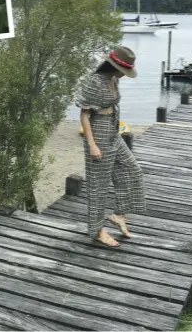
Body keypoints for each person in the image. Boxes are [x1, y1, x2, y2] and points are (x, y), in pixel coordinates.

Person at [76, 46, 146, 247]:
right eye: (123, 71)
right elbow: (84, 115)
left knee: (133, 171)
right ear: (114, 66)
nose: (124, 75)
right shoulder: (94, 81)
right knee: (99, 186)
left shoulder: (113, 79)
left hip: (113, 132)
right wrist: (92, 145)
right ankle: (97, 230)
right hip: (97, 133)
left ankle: (119, 215)